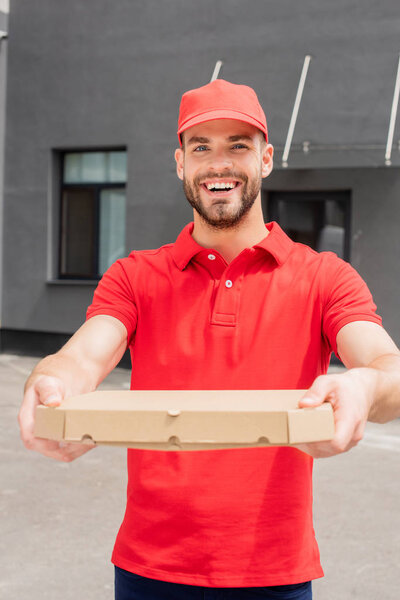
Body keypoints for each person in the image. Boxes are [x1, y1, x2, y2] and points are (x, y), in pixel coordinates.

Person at [19, 79, 400, 600]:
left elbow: (386, 366)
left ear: (266, 159)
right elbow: (81, 357)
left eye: (238, 145)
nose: (218, 163)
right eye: (201, 147)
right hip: (148, 572)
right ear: (180, 164)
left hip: (274, 575)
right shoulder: (135, 276)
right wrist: (48, 382)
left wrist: (363, 387)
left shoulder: (324, 277)